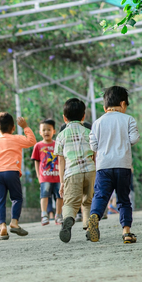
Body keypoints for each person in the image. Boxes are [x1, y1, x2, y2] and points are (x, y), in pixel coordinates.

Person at [87, 86, 140, 244]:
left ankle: (95, 216)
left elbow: (93, 146)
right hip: (122, 165)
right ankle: (127, 233)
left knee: (101, 195)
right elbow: (134, 139)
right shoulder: (128, 119)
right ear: (123, 104)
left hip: (103, 166)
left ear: (105, 107)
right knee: (124, 199)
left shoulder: (97, 123)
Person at [0, 113, 37, 240]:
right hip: (12, 173)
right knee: (17, 198)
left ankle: (2, 227)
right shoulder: (17, 138)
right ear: (13, 128)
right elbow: (32, 141)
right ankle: (14, 222)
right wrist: (25, 127)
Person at [55, 98, 96, 243]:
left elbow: (61, 160)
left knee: (70, 203)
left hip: (72, 172)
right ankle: (89, 226)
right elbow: (94, 153)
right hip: (91, 171)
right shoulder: (89, 132)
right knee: (88, 201)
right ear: (83, 116)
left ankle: (68, 219)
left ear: (64, 118)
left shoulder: (61, 136)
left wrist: (61, 182)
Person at [31, 119, 63, 226]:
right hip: (45, 177)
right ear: (40, 132)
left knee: (60, 196)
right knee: (44, 195)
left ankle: (58, 215)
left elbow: (61, 159)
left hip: (58, 176)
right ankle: (44, 215)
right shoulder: (38, 146)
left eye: (49, 130)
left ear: (54, 131)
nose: (46, 132)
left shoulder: (57, 144)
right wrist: (38, 175)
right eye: (43, 130)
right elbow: (36, 161)